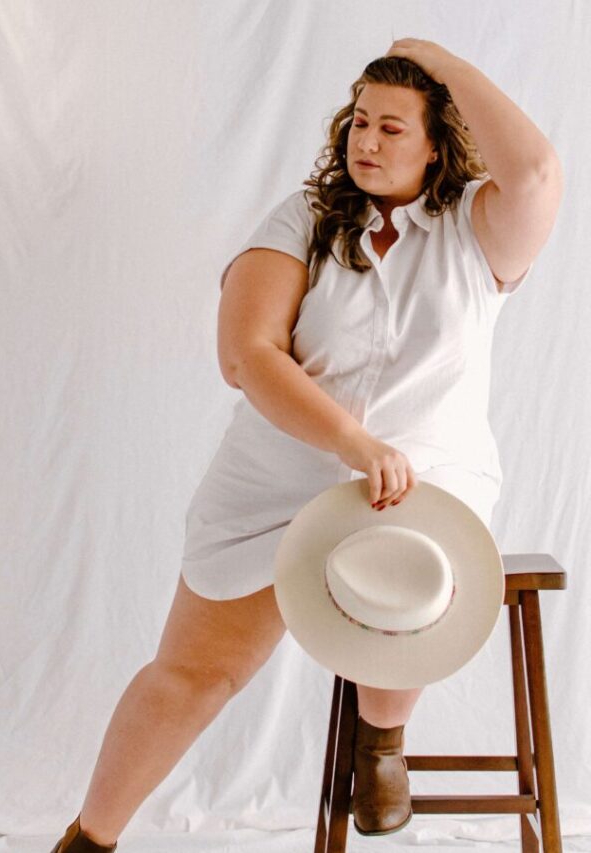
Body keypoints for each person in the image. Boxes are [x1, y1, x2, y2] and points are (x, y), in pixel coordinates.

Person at [49, 37, 562, 851]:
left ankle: (381, 739)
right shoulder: (305, 218)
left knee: (411, 563)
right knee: (191, 676)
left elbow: (534, 171)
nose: (366, 139)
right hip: (276, 480)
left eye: (393, 128)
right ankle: (88, 837)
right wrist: (353, 442)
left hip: (419, 487)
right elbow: (245, 354)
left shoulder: (478, 230)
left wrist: (437, 62)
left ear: (438, 144)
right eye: (360, 120)